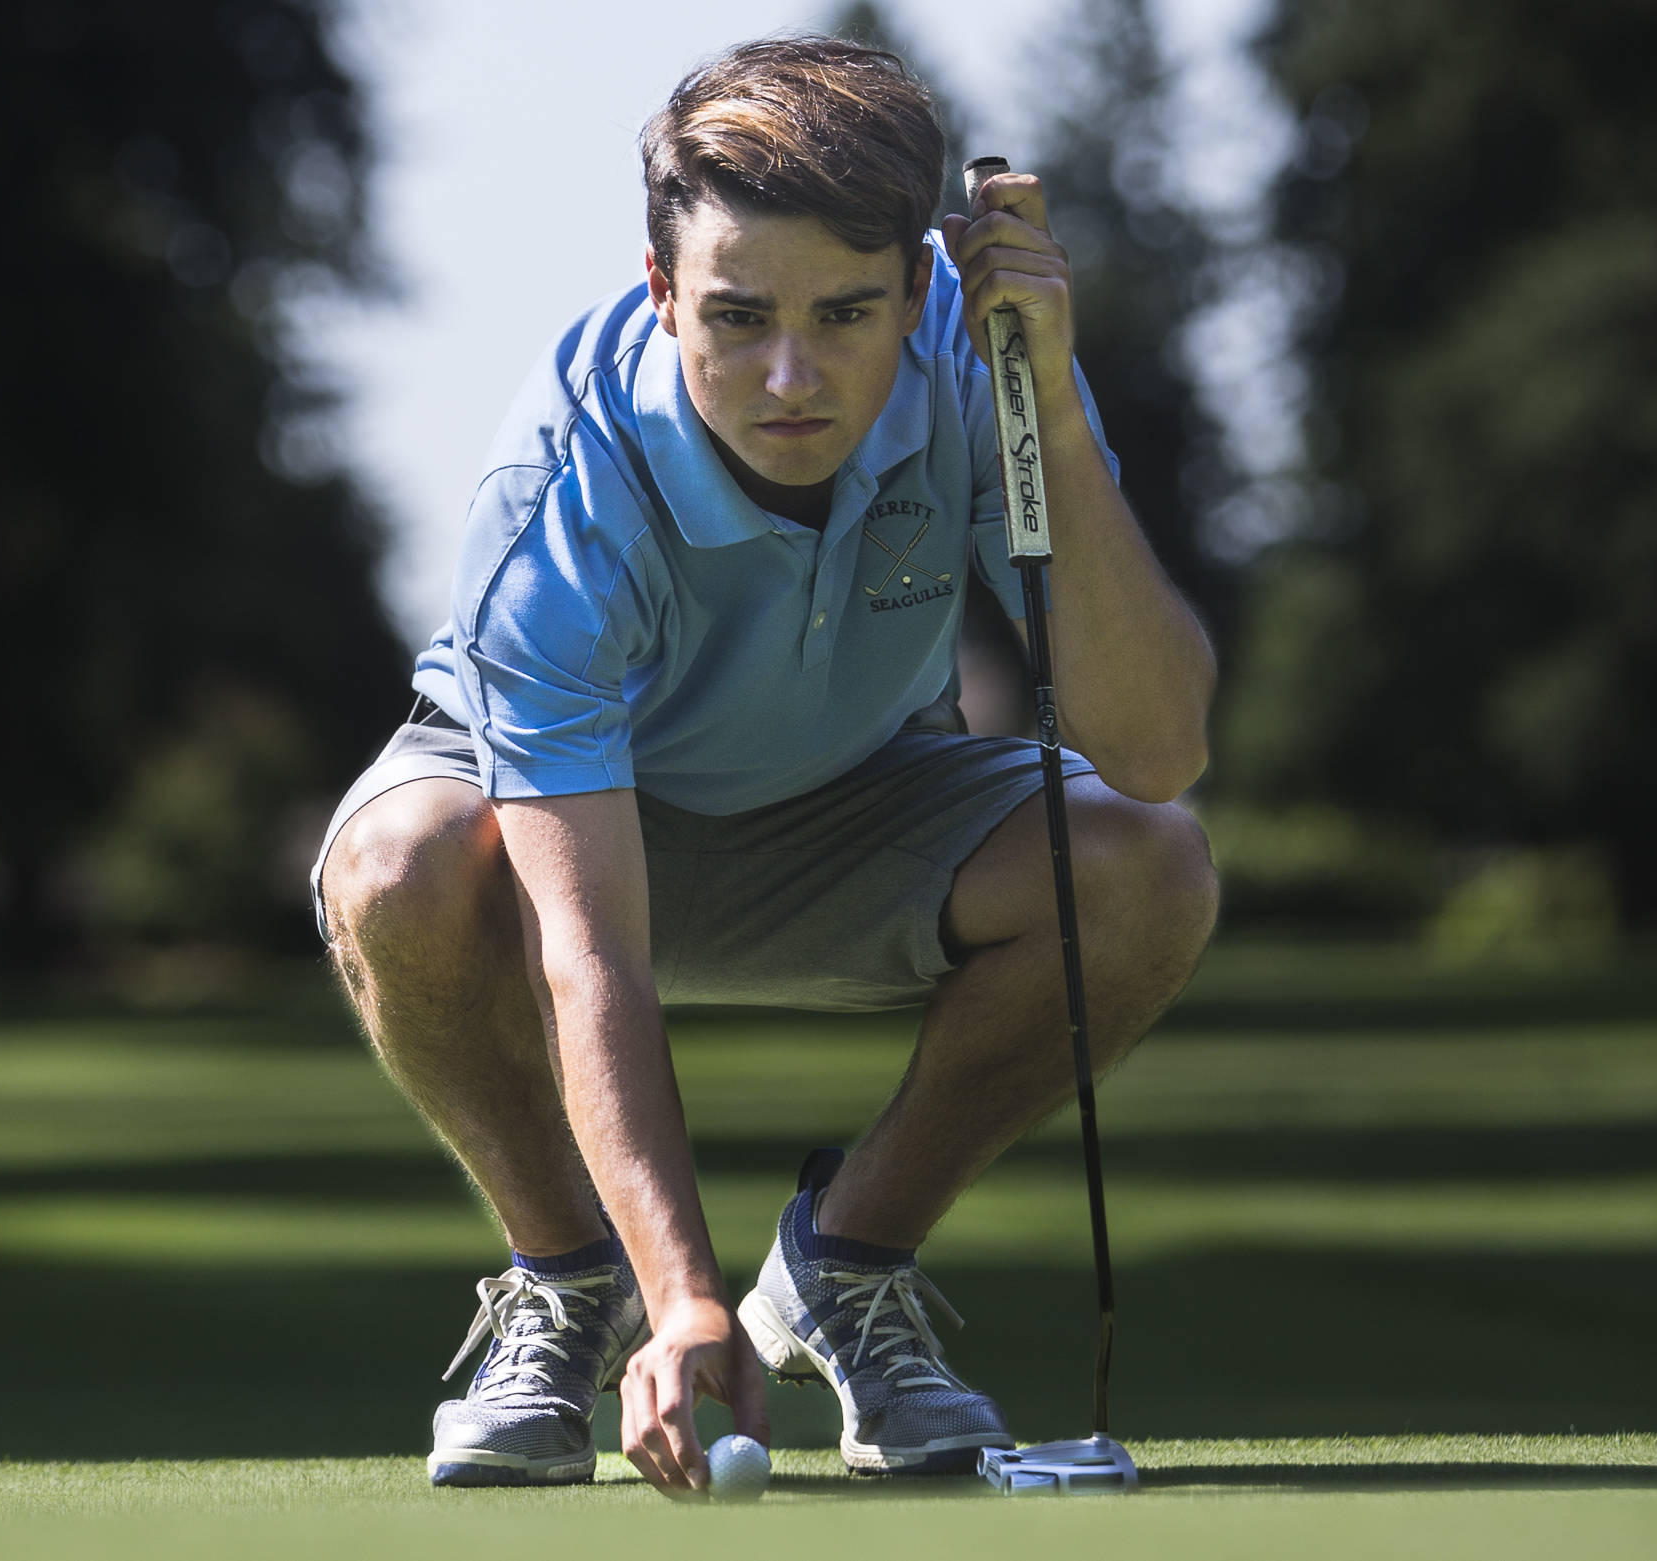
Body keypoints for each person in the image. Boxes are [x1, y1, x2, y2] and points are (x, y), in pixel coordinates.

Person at [311, 36, 1218, 1498]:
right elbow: (590, 952)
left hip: (854, 797)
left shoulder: (984, 376)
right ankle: (567, 1284)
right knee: (394, 868)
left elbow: (1159, 749)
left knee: (1146, 865)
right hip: (564, 830)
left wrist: (1044, 404)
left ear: (921, 290)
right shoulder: (562, 493)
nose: (791, 377)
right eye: (736, 317)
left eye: (848, 313)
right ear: (662, 291)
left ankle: (844, 1269)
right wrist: (680, 1295)